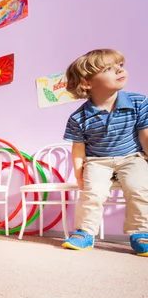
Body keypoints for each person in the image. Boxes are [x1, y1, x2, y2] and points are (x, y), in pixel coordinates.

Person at [62, 48, 148, 256]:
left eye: (120, 65)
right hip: (97, 161)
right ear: (87, 83)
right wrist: (80, 175)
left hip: (132, 157)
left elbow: (145, 136)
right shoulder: (78, 118)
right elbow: (78, 151)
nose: (119, 70)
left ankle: (141, 232)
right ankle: (85, 233)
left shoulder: (138, 102)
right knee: (92, 193)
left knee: (139, 188)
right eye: (109, 68)